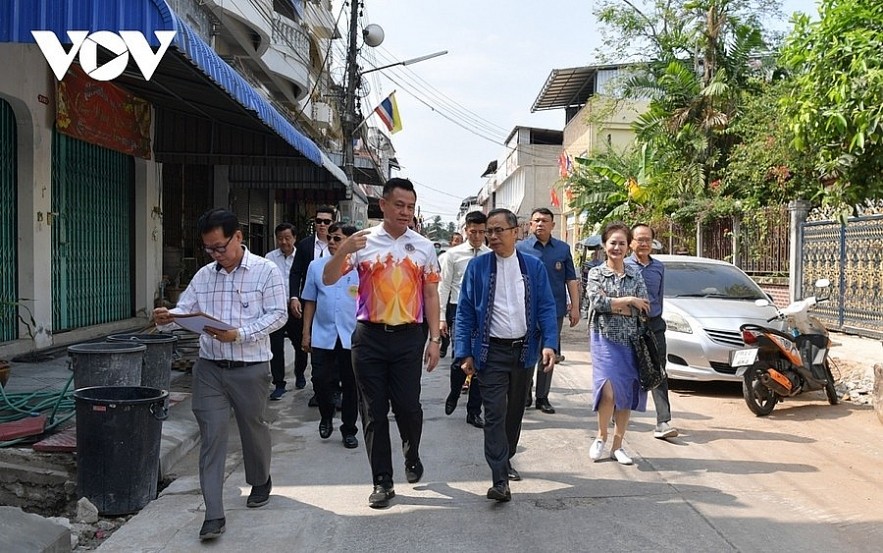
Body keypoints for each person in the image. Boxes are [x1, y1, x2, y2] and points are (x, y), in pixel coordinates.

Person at [152, 208, 287, 541]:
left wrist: (239, 334)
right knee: (212, 438)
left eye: (220, 247)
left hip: (250, 368)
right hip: (210, 369)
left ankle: (260, 479)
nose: (215, 254)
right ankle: (213, 513)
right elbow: (187, 309)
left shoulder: (265, 271)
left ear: (238, 237)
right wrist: (169, 316)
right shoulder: (204, 275)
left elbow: (278, 315)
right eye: (209, 249)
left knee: (253, 429)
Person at [323, 178, 441, 509]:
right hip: (369, 338)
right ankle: (382, 481)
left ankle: (411, 451)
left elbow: (430, 294)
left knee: (407, 406)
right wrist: (344, 249)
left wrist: (434, 338)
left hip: (408, 337)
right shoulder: (362, 242)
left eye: (411, 207)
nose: (406, 212)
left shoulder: (423, 246)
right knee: (373, 412)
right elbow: (329, 278)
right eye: (400, 205)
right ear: (383, 206)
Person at [456, 208, 558, 502]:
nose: (493, 236)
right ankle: (499, 479)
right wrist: (464, 351)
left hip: (524, 351)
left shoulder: (533, 267)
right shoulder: (478, 268)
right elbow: (464, 312)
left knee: (514, 414)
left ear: (516, 232)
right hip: (491, 353)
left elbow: (547, 308)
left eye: (499, 230)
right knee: (495, 415)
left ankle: (507, 456)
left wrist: (549, 343)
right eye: (489, 231)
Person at [585, 221, 650, 466]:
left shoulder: (636, 274)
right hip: (603, 339)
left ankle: (618, 445)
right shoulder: (595, 273)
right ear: (605, 245)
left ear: (628, 246)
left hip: (631, 342)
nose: (617, 248)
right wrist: (629, 301)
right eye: (613, 243)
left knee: (625, 392)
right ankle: (601, 436)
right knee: (609, 390)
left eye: (622, 243)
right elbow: (597, 303)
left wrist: (622, 304)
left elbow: (644, 308)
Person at [301, 223, 360, 448]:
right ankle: (326, 416)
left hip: (351, 336)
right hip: (323, 334)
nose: (333, 243)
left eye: (339, 239)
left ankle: (349, 429)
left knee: (351, 385)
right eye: (331, 239)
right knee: (320, 380)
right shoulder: (316, 267)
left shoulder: (360, 269)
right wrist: (306, 332)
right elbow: (310, 300)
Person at [516, 207, 580, 414]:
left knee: (548, 352)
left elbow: (571, 279)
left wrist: (576, 307)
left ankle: (542, 397)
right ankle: (524, 393)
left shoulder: (562, 249)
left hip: (554, 311)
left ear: (553, 225)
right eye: (536, 220)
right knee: (526, 353)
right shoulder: (520, 248)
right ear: (530, 224)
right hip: (524, 311)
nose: (540, 224)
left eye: (545, 220)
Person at [437, 210, 490, 427]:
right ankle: (454, 391)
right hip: (458, 309)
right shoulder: (453, 255)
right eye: (473, 231)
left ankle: (474, 410)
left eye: (481, 232)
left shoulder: (490, 254)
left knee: (480, 360)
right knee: (460, 356)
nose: (477, 236)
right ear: (466, 230)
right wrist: (441, 317)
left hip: (483, 311)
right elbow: (444, 285)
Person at [626, 223, 679, 439]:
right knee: (627, 370)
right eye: (640, 239)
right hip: (629, 324)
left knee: (659, 372)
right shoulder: (623, 265)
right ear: (631, 242)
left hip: (655, 325)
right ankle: (618, 411)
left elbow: (659, 296)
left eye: (648, 239)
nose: (644, 243)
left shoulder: (659, 267)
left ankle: (663, 422)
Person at [288, 206, 335, 396]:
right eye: (318, 221)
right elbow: (296, 272)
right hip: (310, 303)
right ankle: (319, 388)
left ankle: (334, 387)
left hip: (332, 305)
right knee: (310, 342)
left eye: (326, 221)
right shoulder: (305, 246)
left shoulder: (339, 246)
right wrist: (294, 297)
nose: (322, 225)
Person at [265, 223, 298, 400]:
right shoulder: (269, 258)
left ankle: (300, 374)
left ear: (294, 238)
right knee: (276, 346)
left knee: (300, 344)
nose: (283, 242)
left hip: (296, 308)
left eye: (287, 238)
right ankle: (279, 383)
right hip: (276, 309)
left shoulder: (301, 257)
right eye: (280, 238)